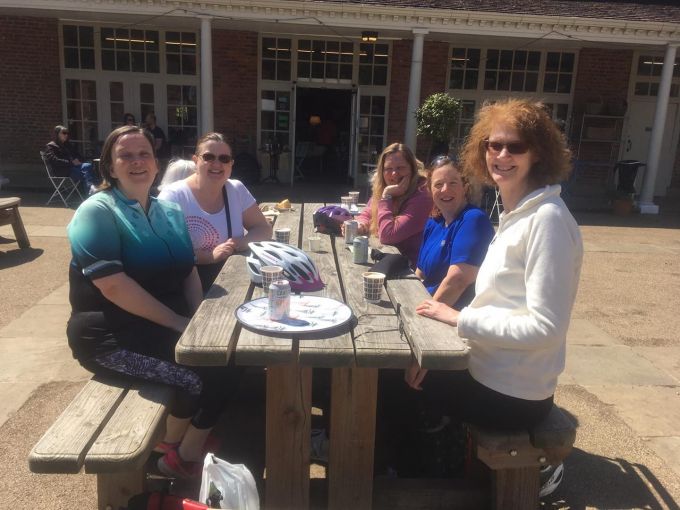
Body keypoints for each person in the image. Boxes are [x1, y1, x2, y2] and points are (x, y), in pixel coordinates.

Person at [65, 125, 237, 478]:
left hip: (159, 326)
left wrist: (198, 319)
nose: (137, 161)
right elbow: (114, 287)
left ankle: (184, 447)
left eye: (144, 154)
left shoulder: (168, 211)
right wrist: (180, 324)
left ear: (156, 164)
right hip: (110, 336)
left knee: (229, 357)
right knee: (198, 377)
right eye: (125, 156)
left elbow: (188, 271)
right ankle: (170, 450)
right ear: (110, 167)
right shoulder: (97, 211)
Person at [159, 132, 272, 293]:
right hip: (186, 286)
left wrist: (239, 243)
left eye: (224, 159)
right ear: (195, 161)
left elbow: (263, 228)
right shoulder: (173, 196)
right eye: (209, 157)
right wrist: (209, 257)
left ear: (231, 164)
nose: (217, 164)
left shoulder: (236, 189)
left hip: (233, 277)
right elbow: (164, 251)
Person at [415, 155, 494, 311]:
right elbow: (420, 273)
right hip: (426, 303)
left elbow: (457, 281)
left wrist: (420, 317)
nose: (445, 189)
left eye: (453, 183)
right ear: (430, 190)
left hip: (453, 315)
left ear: (465, 187)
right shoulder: (434, 223)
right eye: (438, 184)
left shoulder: (473, 220)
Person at [346, 142, 433, 267]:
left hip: (410, 269)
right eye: (388, 169)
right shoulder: (383, 187)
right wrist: (360, 225)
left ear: (412, 169)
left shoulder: (423, 194)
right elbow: (368, 212)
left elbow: (388, 235)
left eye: (400, 168)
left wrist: (387, 195)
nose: (394, 174)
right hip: (385, 258)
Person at [44, 125, 98, 194]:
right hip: (62, 170)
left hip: (73, 167)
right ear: (57, 134)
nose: (66, 135)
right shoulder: (51, 146)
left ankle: (91, 189)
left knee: (88, 165)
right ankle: (91, 190)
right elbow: (54, 160)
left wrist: (78, 159)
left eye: (67, 133)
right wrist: (71, 162)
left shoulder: (67, 145)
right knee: (87, 173)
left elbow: (77, 155)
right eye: (64, 133)